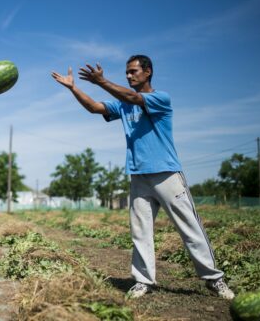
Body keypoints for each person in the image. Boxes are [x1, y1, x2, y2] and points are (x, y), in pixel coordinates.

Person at [51, 55, 235, 300]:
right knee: (140, 231)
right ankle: (143, 281)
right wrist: (74, 88)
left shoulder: (160, 98)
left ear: (148, 72)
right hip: (138, 175)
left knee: (190, 229)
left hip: (167, 174)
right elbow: (95, 108)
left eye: (133, 71)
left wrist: (102, 81)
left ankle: (214, 279)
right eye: (127, 72)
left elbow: (134, 97)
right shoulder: (123, 104)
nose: (129, 75)